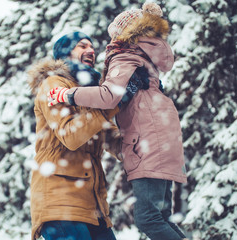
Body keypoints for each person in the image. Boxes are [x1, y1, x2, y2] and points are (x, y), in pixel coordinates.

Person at [47, 3, 188, 240]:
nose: (95, 49)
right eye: (83, 45)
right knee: (160, 218)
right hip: (163, 143)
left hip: (148, 144)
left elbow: (108, 96)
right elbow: (97, 128)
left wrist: (70, 95)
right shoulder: (146, 62)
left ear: (124, 35)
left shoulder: (125, 56)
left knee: (149, 219)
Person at [27, 32, 122, 240]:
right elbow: (70, 135)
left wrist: (140, 148)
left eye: (92, 47)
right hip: (60, 202)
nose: (91, 51)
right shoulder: (54, 85)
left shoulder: (88, 94)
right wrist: (107, 103)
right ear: (65, 53)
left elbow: (110, 137)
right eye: (82, 46)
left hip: (93, 205)